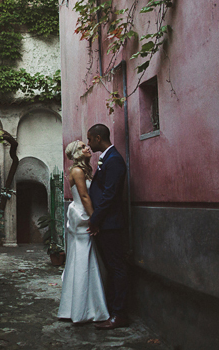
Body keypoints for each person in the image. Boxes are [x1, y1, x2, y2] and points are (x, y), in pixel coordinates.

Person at [57, 140, 110, 324]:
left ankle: (85, 306)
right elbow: (84, 196)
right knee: (82, 259)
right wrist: (95, 219)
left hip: (84, 215)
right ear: (76, 153)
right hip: (82, 217)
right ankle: (81, 309)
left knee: (87, 259)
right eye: (82, 147)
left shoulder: (85, 169)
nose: (87, 148)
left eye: (86, 146)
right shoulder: (77, 171)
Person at [86, 123, 130, 330]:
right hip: (106, 223)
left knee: (117, 268)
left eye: (89, 139)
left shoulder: (114, 161)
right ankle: (113, 310)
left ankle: (120, 314)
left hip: (110, 224)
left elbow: (109, 195)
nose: (88, 143)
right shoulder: (107, 158)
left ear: (97, 138)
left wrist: (95, 220)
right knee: (112, 268)